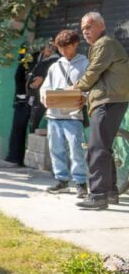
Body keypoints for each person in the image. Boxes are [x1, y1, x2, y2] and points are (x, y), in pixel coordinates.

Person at [74, 12, 129, 210]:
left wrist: (76, 88)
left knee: (96, 148)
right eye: (83, 29)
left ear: (101, 26)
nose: (86, 32)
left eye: (89, 27)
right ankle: (111, 192)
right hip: (111, 99)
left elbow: (93, 72)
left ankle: (98, 196)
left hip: (108, 101)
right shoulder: (103, 44)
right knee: (104, 147)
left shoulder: (105, 43)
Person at [39, 29, 89, 198]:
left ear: (75, 44)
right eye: (60, 48)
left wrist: (85, 98)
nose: (63, 51)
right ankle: (62, 181)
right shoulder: (55, 66)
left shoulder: (85, 64)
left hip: (74, 116)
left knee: (76, 150)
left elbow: (90, 87)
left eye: (67, 47)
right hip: (53, 116)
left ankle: (81, 183)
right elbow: (45, 87)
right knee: (56, 149)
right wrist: (44, 98)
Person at [4, 45, 34, 166]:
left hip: (28, 101)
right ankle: (15, 157)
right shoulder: (24, 65)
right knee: (17, 130)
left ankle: (16, 157)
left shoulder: (35, 65)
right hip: (20, 101)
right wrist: (22, 51)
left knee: (21, 129)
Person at [26, 41, 59, 134]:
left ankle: (34, 144)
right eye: (49, 46)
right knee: (30, 120)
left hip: (42, 95)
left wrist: (43, 79)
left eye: (54, 48)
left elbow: (57, 78)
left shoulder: (56, 61)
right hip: (30, 93)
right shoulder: (36, 57)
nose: (51, 49)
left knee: (35, 119)